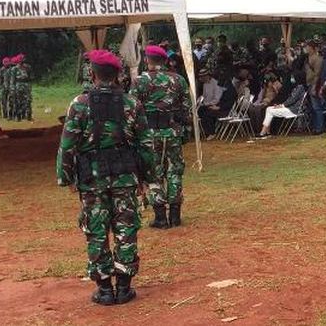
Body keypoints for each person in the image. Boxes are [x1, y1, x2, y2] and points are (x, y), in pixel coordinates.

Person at [56, 49, 157, 306]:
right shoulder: (131, 103)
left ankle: (103, 289)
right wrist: (148, 176)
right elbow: (146, 144)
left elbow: (67, 145)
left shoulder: (79, 103)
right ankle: (123, 287)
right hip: (125, 177)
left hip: (92, 178)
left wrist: (65, 177)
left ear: (92, 73)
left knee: (96, 230)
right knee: (126, 228)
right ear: (118, 75)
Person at [130, 45, 191, 228]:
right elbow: (187, 108)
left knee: (153, 173)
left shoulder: (139, 81)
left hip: (149, 134)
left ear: (147, 60)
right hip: (172, 132)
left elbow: (132, 109)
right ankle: (175, 215)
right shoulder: (179, 80)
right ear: (166, 61)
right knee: (174, 171)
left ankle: (160, 217)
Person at [257, 71, 308, 138]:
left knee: (270, 111)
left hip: (294, 109)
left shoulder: (300, 87)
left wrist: (282, 105)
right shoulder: (297, 87)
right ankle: (267, 132)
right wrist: (281, 105)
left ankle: (263, 132)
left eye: (294, 77)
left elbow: (292, 100)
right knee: (269, 108)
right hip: (290, 107)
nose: (293, 79)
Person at [197, 70, 226, 139]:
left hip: (216, 105)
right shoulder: (204, 84)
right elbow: (204, 96)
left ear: (207, 76)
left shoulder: (215, 84)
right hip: (206, 104)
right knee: (198, 111)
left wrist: (206, 104)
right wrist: (199, 100)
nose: (201, 78)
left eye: (202, 77)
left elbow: (216, 99)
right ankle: (203, 131)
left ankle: (211, 132)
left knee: (207, 113)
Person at [10, 54, 32, 121]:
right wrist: (12, 89)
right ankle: (19, 116)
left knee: (28, 101)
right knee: (18, 102)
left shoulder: (28, 67)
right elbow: (12, 80)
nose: (21, 61)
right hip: (18, 86)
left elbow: (30, 78)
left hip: (26, 86)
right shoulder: (14, 69)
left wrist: (29, 86)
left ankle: (28, 116)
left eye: (22, 59)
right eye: (20, 60)